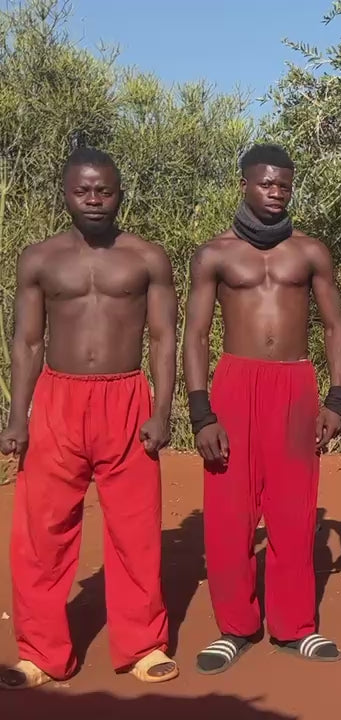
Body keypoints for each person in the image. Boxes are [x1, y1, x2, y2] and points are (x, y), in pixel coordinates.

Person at [0, 148, 179, 689]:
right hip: (58, 400)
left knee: (136, 528)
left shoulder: (147, 258)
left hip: (126, 400)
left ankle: (143, 645)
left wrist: (162, 410)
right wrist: (17, 417)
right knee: (43, 530)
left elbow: (163, 338)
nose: (94, 199)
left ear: (120, 193)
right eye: (83, 190)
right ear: (66, 194)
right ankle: (41, 653)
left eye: (105, 190)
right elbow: (28, 342)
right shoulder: (40, 259)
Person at [183, 143, 341, 673]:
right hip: (236, 383)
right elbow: (196, 334)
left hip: (294, 385)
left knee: (293, 510)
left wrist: (338, 398)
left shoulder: (310, 252)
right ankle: (235, 627)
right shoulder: (215, 254)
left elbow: (335, 327)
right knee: (230, 513)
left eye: (284, 185)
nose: (276, 192)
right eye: (266, 183)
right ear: (244, 185)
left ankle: (295, 625)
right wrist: (201, 412)